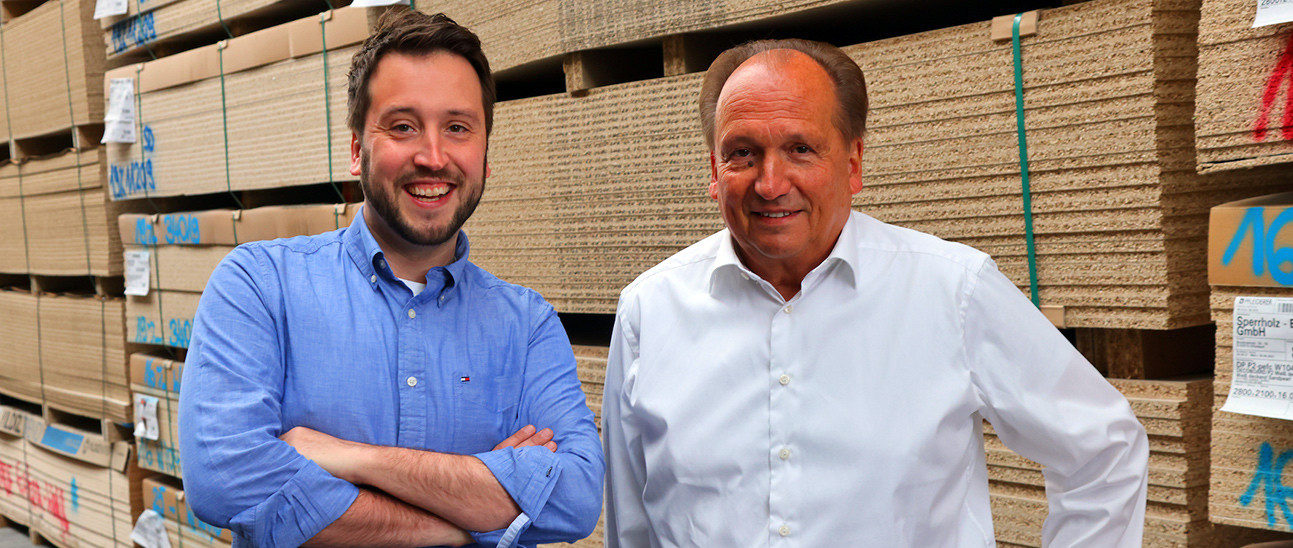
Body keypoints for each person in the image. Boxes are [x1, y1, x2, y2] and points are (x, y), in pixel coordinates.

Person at [602, 39, 1149, 547]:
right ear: (714, 170)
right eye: (743, 153)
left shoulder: (952, 291)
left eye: (800, 149)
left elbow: (1104, 449)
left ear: (853, 164)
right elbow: (631, 524)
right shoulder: (649, 312)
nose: (770, 183)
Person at [180, 10, 603, 548]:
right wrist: (468, 521)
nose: (433, 157)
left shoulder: (527, 326)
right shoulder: (260, 286)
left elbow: (576, 497)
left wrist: (355, 459)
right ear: (357, 150)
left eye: (457, 128)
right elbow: (226, 480)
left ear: (485, 155)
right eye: (403, 126)